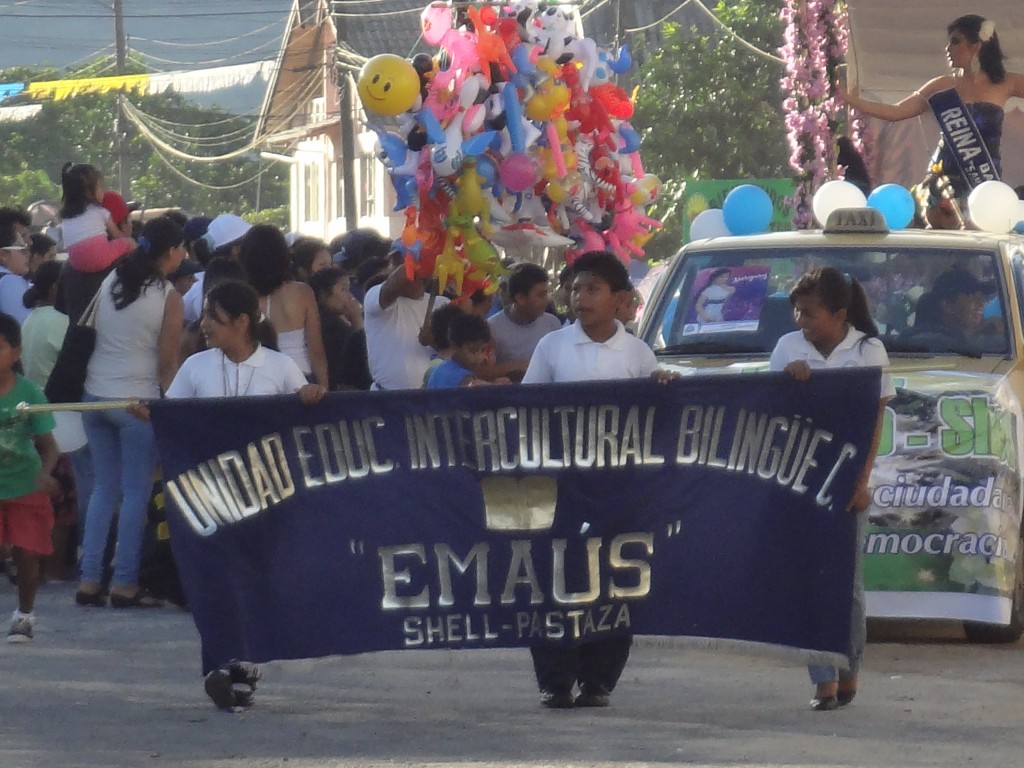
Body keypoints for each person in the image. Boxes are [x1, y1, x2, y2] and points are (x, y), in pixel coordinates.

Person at [156, 279, 323, 710]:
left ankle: (246, 668)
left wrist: (310, 395)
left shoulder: (280, 368)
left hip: (266, 494)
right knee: (215, 579)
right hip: (209, 493)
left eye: (214, 316)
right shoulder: (196, 368)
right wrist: (150, 412)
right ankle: (219, 663)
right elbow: (173, 418)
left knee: (256, 580)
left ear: (243, 321)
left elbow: (305, 418)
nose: (204, 324)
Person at [521, 250, 670, 709]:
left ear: (620, 299)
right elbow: (528, 409)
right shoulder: (553, 347)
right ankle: (555, 679)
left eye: (592, 289)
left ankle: (599, 680)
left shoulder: (638, 353)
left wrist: (664, 386)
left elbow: (658, 420)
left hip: (620, 489)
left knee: (615, 577)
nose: (579, 297)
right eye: (575, 288)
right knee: (555, 576)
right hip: (561, 485)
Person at [769, 267, 895, 711]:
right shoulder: (788, 347)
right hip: (799, 475)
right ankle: (821, 679)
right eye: (798, 313)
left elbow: (875, 420)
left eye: (809, 313)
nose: (802, 322)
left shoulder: (868, 350)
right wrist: (788, 379)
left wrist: (862, 482)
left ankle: (850, 670)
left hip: (848, 477)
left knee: (848, 584)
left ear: (839, 314)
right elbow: (771, 410)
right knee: (807, 579)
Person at [75, 217, 185, 609]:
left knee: (105, 488)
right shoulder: (169, 297)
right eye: (181, 248)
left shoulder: (112, 281)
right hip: (137, 403)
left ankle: (89, 580)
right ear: (171, 251)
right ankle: (124, 582)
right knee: (136, 491)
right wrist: (170, 407)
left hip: (93, 396)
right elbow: (168, 361)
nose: (184, 255)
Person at [840, 15, 1024, 199]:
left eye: (955, 41)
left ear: (976, 46)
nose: (947, 49)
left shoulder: (1006, 82)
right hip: (943, 182)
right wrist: (847, 99)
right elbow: (895, 112)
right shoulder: (941, 86)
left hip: (984, 179)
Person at [0, 312, 60, 642]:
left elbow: (49, 445)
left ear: (16, 353)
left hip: (25, 483)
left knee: (26, 551)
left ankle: (24, 615)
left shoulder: (30, 394)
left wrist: (45, 474)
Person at [238, 224, 328, 386]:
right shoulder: (302, 292)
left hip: (257, 378)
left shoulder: (241, 296)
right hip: (299, 376)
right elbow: (316, 351)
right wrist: (323, 389)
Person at [364, 259, 449, 390]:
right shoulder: (375, 298)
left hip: (433, 399)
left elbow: (461, 351)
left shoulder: (442, 304)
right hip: (387, 397)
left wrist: (435, 343)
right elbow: (396, 282)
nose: (412, 277)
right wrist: (425, 257)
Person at [487, 262, 561, 381]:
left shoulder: (552, 323)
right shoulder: (492, 328)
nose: (547, 300)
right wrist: (518, 367)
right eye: (541, 295)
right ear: (521, 298)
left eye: (546, 293)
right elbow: (483, 372)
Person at [58, 162, 135, 274]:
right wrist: (127, 241)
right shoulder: (100, 212)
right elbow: (118, 236)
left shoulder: (65, 218)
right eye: (100, 188)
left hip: (76, 263)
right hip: (98, 259)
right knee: (130, 243)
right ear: (88, 192)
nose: (103, 192)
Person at [308, 267, 366, 390]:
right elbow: (361, 355)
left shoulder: (331, 319)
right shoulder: (331, 325)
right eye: (343, 289)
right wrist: (357, 319)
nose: (350, 296)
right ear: (323, 294)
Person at [426, 312, 493, 388]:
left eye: (483, 350)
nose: (479, 357)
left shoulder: (440, 369)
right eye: (473, 351)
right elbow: (473, 387)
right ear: (455, 347)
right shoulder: (464, 377)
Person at [0, 226, 31, 323]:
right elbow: (25, 325)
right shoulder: (10, 281)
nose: (28, 254)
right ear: (3, 254)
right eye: (22, 249)